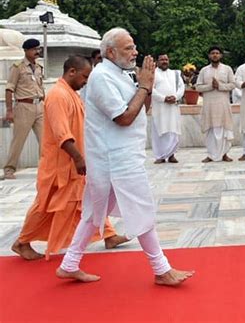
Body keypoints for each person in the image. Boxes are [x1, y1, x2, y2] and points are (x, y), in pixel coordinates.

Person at [56, 28, 194, 285]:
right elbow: (123, 118)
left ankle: (70, 263)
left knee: (94, 213)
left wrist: (147, 87)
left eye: (133, 47)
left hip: (121, 156)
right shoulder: (101, 77)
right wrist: (143, 85)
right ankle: (161, 269)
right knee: (141, 209)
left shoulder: (122, 74)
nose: (135, 52)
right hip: (115, 159)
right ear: (111, 52)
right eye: (129, 48)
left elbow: (142, 107)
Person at [11, 56, 127, 260]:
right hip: (60, 165)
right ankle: (22, 241)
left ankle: (109, 235)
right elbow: (61, 134)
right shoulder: (58, 95)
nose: (86, 81)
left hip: (76, 161)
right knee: (46, 205)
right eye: (85, 76)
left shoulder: (71, 94)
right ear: (71, 72)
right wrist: (78, 158)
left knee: (91, 198)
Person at [3, 38, 45, 180]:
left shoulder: (39, 67)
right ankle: (9, 169)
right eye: (34, 49)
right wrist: (9, 110)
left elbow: (41, 87)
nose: (37, 52)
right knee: (18, 140)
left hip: (39, 105)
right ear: (26, 51)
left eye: (38, 49)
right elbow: (9, 89)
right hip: (24, 106)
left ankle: (45, 168)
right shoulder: (18, 67)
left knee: (45, 140)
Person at [196, 46, 236, 162]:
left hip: (223, 104)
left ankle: (224, 154)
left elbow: (233, 84)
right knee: (210, 130)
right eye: (212, 53)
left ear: (221, 55)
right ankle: (211, 155)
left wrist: (220, 86)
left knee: (224, 128)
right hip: (209, 105)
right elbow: (198, 86)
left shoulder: (227, 69)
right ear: (209, 56)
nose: (215, 55)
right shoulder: (204, 70)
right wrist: (210, 86)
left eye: (217, 53)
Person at [151, 53, 184, 163]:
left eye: (166, 59)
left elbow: (181, 87)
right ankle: (160, 156)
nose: (164, 61)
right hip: (160, 108)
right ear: (157, 61)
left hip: (173, 107)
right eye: (162, 60)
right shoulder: (153, 73)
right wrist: (163, 98)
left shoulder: (175, 73)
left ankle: (171, 155)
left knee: (173, 131)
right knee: (160, 131)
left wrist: (175, 97)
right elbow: (151, 90)